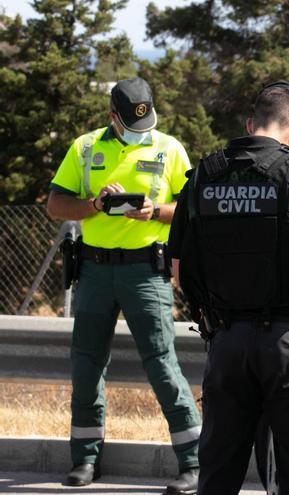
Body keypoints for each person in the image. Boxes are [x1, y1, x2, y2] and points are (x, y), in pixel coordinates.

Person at [168, 81, 289, 494]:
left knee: (218, 471)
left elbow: (181, 274)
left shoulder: (201, 178)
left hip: (226, 342)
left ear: (249, 123)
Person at [46, 77, 202, 493]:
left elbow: (192, 209)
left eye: (145, 122)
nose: (140, 131)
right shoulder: (84, 148)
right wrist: (94, 205)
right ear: (112, 116)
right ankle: (85, 459)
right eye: (131, 124)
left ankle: (193, 462)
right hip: (94, 271)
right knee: (86, 366)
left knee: (162, 365)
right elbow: (55, 205)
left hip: (146, 272)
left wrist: (155, 212)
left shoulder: (169, 148)